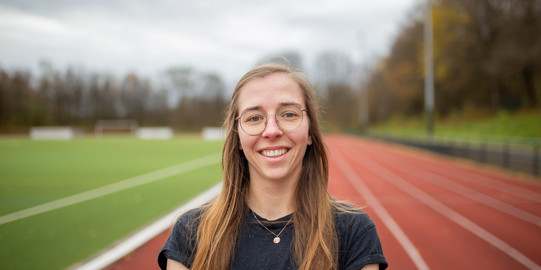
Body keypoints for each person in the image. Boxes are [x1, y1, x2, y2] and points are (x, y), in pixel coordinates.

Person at [158, 63, 388, 270]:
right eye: (254, 118)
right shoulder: (190, 232)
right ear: (237, 137)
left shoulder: (354, 232)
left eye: (289, 114)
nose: (271, 130)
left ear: (310, 132)